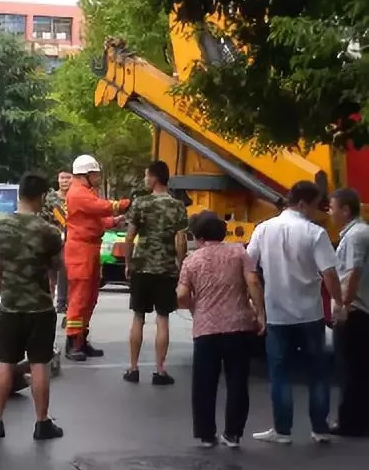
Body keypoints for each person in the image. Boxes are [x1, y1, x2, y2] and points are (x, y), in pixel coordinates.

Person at [247, 180, 343, 444]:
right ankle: (319, 429)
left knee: (279, 373)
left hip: (277, 315)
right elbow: (329, 275)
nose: (315, 212)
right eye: (313, 206)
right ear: (302, 203)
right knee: (318, 373)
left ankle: (282, 430)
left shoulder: (263, 229)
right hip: (310, 314)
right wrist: (339, 303)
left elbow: (250, 269)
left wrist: (259, 308)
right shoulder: (315, 233)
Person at [0, 173, 64, 441]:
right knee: (39, 365)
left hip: (10, 308)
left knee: (5, 364)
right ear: (40, 197)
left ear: (19, 195)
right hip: (40, 310)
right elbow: (58, 267)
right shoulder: (49, 231)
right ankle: (42, 424)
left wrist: (2, 286)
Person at [177, 211, 266, 448]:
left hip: (206, 329)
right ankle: (233, 433)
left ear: (199, 236)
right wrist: (260, 313)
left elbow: (182, 295)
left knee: (204, 384)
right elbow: (253, 282)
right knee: (237, 381)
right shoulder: (238, 252)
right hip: (238, 325)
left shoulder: (191, 261)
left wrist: (196, 309)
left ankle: (206, 434)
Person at [122, 160, 188, 385]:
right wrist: (180, 264)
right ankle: (160, 370)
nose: (144, 179)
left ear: (154, 178)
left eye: (146, 175)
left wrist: (128, 263)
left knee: (138, 317)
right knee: (162, 319)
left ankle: (133, 368)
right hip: (166, 269)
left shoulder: (140, 203)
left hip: (142, 267)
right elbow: (181, 240)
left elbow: (129, 237)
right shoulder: (177, 206)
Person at [64, 155, 128, 361]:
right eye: (96, 173)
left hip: (90, 248)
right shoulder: (78, 193)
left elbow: (99, 218)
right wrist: (123, 205)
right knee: (79, 297)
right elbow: (102, 208)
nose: (99, 177)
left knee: (90, 297)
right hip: (80, 250)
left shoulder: (86, 192)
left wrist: (116, 220)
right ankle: (72, 342)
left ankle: (81, 340)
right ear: (86, 174)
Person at [328, 187, 369, 437]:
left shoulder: (354, 237)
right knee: (362, 369)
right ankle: (361, 419)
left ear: (345, 210)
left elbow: (352, 273)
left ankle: (350, 422)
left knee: (350, 370)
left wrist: (343, 305)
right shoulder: (361, 232)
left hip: (355, 311)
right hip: (363, 310)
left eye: (332, 208)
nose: (330, 214)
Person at [40, 167, 72, 314]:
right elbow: (43, 218)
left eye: (68, 178)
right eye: (62, 178)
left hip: (72, 240)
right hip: (53, 239)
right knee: (51, 273)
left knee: (68, 273)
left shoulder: (77, 197)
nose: (65, 181)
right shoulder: (50, 198)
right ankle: (49, 303)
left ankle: (65, 303)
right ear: (58, 180)